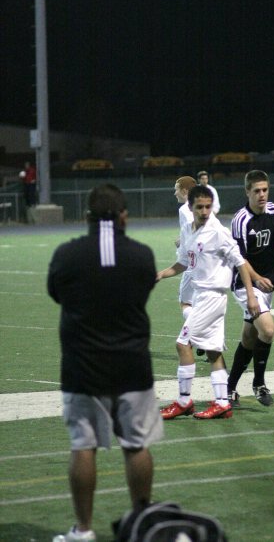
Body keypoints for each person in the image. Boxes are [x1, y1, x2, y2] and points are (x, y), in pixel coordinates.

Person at [47, 184, 163, 541]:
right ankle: (141, 524)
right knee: (136, 445)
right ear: (124, 216)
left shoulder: (68, 255)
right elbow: (144, 288)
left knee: (83, 446)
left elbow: (56, 293)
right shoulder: (142, 255)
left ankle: (83, 531)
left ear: (87, 218)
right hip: (132, 366)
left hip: (83, 366)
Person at [157, 185, 259, 420]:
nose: (204, 211)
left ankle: (184, 401)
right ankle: (222, 403)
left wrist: (251, 295)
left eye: (208, 206)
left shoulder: (217, 231)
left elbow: (240, 262)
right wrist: (162, 274)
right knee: (213, 352)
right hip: (200, 295)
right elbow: (184, 262)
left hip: (212, 297)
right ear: (190, 207)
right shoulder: (188, 230)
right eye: (199, 207)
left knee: (183, 344)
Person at [227, 170, 274, 407]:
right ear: (247, 192)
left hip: (267, 285)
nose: (262, 195)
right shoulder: (240, 220)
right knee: (267, 330)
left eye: (265, 190)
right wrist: (255, 283)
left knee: (249, 338)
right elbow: (240, 260)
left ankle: (229, 388)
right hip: (244, 283)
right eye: (256, 191)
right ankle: (259, 384)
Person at [173, 176, 197, 320]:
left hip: (191, 262)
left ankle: (201, 334)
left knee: (185, 303)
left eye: (176, 189)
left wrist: (183, 243)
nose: (175, 193)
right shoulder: (202, 205)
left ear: (184, 191)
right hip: (206, 264)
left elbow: (193, 227)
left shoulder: (185, 208)